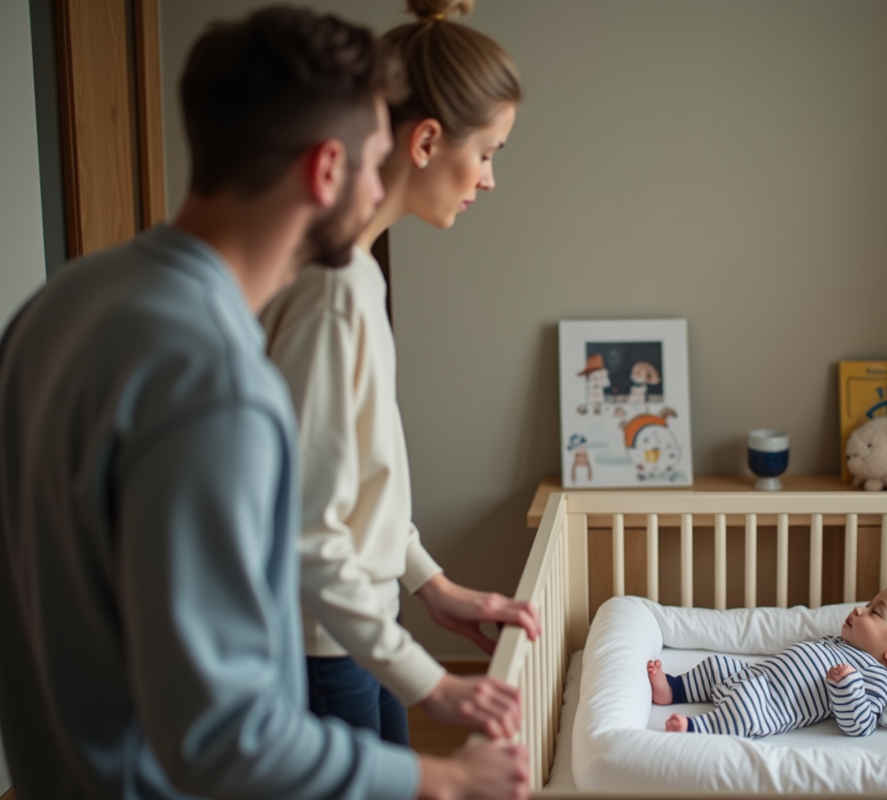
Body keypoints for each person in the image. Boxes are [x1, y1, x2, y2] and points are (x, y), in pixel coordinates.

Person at [0, 6, 526, 799]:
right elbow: (224, 736)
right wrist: (442, 778)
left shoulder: (59, 303)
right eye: (377, 152)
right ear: (326, 170)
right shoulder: (220, 387)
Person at [259, 0, 536, 748]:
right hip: (326, 636)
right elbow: (306, 529)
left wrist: (430, 585)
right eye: (488, 153)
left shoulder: (354, 271)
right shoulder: (329, 287)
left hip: (358, 622)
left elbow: (357, 484)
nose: (488, 180)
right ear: (425, 141)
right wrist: (432, 683)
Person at [646, 584, 887, 738]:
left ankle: (698, 729)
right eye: (868, 604)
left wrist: (847, 685)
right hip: (751, 675)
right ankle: (673, 689)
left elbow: (860, 726)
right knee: (717, 665)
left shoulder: (874, 676)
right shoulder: (841, 641)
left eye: (875, 612)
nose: (860, 610)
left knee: (744, 714)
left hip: (768, 704)